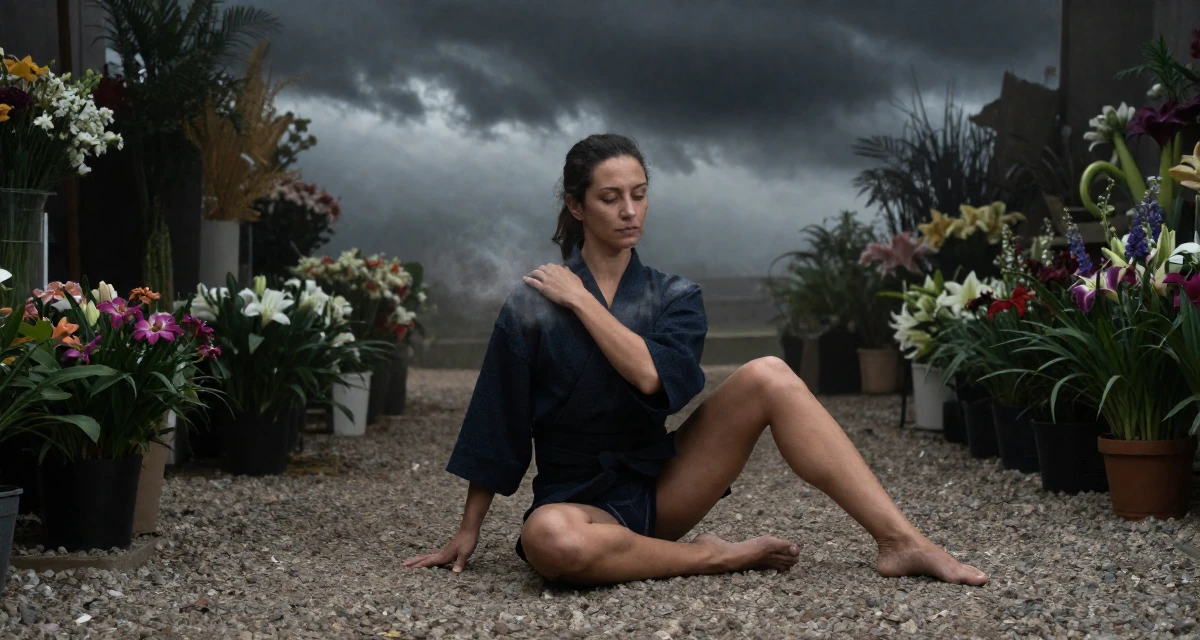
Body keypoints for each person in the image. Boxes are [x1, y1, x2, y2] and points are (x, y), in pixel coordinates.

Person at [402, 133, 989, 587]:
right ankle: (716, 557)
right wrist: (467, 532)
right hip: (574, 501)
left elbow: (656, 378)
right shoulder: (530, 306)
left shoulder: (673, 296)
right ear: (576, 206)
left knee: (769, 374)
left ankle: (901, 540)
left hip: (663, 484)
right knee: (553, 542)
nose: (630, 210)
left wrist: (580, 301)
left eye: (639, 194)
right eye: (610, 198)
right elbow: (497, 419)